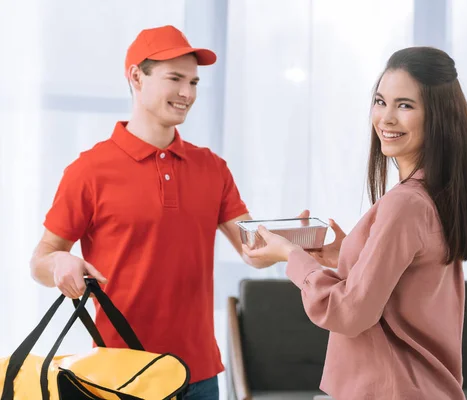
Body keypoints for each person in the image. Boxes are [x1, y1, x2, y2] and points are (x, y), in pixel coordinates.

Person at [29, 25, 288, 400]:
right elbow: (41, 257)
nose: (187, 93)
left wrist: (292, 244)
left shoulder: (212, 167)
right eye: (175, 79)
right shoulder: (89, 170)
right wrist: (59, 265)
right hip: (119, 375)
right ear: (136, 76)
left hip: (198, 375)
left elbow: (253, 251)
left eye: (194, 82)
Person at [242, 46, 467, 399]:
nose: (386, 118)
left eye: (405, 105)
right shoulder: (437, 196)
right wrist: (347, 254)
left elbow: (349, 313)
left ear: (438, 116)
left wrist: (292, 256)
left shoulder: (405, 205)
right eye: (380, 101)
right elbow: (412, 279)